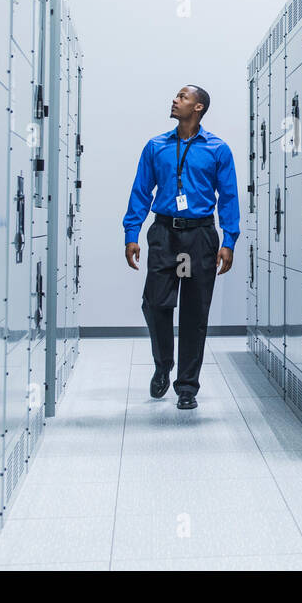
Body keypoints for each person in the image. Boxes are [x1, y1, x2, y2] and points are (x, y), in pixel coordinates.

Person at [123, 85, 238, 409]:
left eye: (183, 97)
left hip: (199, 236)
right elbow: (141, 191)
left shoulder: (217, 149)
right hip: (164, 234)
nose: (175, 100)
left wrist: (228, 240)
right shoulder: (156, 146)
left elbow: (228, 198)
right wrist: (132, 232)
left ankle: (187, 386)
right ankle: (163, 364)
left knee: (194, 312)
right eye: (176, 96)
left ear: (198, 107)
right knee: (155, 303)